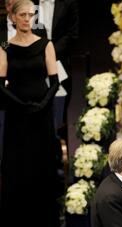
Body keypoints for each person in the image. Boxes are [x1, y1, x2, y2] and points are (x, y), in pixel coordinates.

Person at [0, 0, 60, 227]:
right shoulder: (4, 45)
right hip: (17, 114)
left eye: (31, 14)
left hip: (41, 114)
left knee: (42, 164)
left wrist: (42, 105)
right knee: (18, 166)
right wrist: (20, 105)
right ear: (13, 18)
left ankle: (45, 225)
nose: (27, 19)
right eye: (23, 15)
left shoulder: (46, 44)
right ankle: (16, 226)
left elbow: (54, 82)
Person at [32, 0, 79, 140]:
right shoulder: (30, 3)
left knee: (60, 107)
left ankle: (60, 144)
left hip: (60, 60)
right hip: (34, 62)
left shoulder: (69, 3)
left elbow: (72, 34)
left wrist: (50, 52)